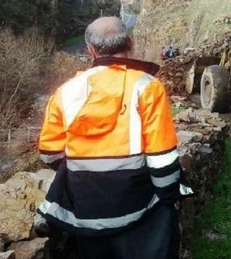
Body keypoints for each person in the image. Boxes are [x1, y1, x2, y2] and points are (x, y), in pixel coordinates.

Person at [37, 16, 192, 259]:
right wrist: (170, 197)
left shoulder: (64, 92)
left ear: (90, 50)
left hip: (87, 213)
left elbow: (49, 154)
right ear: (130, 43)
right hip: (139, 210)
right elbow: (161, 158)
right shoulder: (147, 86)